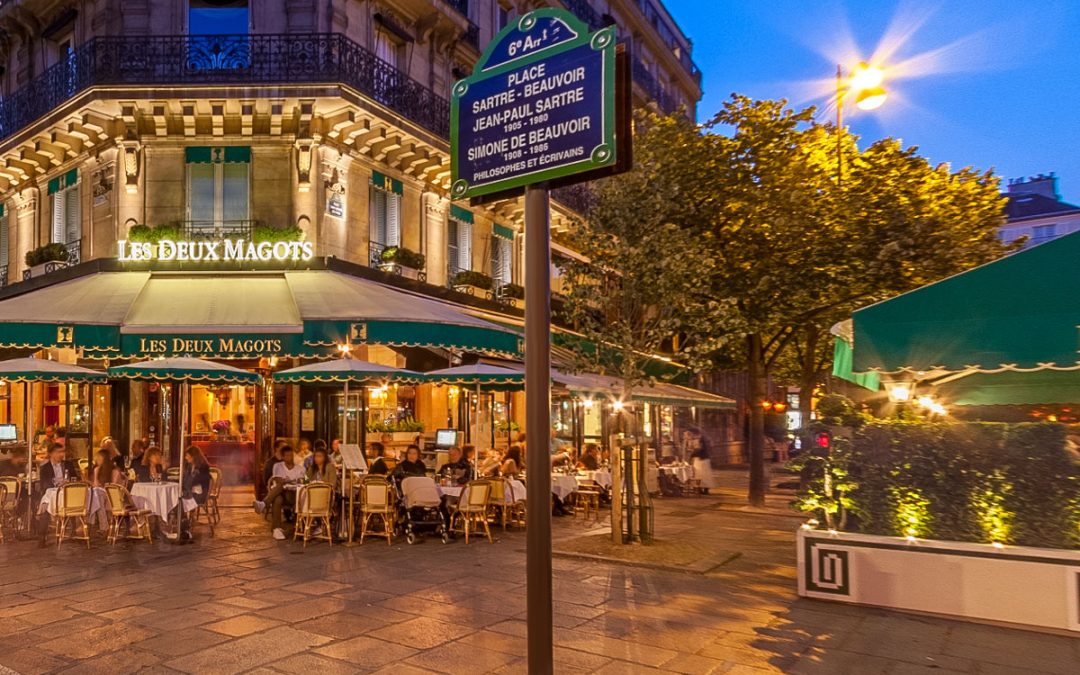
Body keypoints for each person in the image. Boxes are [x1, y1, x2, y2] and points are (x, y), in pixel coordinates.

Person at [253, 445, 305, 540]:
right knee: (277, 499)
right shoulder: (278, 466)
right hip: (281, 493)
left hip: (294, 494)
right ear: (283, 457)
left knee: (280, 488)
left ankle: (264, 504)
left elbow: (302, 481)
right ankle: (277, 529)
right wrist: (290, 481)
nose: (290, 457)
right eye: (287, 455)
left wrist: (287, 481)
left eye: (291, 455)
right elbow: (277, 479)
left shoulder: (300, 468)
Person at [689, 428, 715, 494]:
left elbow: (698, 449)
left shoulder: (698, 440)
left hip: (701, 459)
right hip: (704, 458)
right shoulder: (704, 439)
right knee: (704, 474)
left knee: (700, 474)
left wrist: (692, 453)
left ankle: (702, 488)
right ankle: (704, 488)